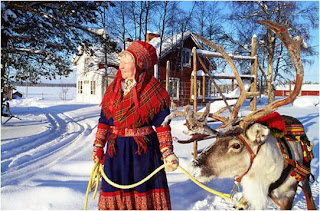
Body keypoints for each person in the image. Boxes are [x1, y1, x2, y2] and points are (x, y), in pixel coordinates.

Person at [92, 41, 179, 210]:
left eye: (126, 63)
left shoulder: (155, 91)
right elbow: (104, 121)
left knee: (143, 193)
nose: (121, 67)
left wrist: (168, 153)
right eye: (121, 63)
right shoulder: (113, 89)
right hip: (115, 152)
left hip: (143, 154)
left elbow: (162, 126)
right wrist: (98, 147)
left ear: (139, 65)